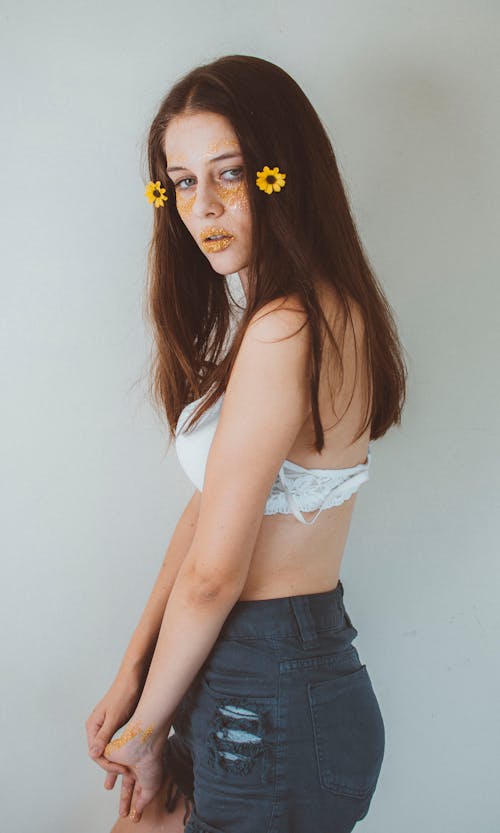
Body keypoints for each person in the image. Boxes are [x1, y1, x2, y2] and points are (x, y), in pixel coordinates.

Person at [85, 54, 407, 833]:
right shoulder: (309, 315)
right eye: (184, 181)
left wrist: (142, 731)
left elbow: (213, 575)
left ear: (282, 171)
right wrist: (135, 672)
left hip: (267, 693)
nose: (205, 207)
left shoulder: (286, 326)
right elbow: (205, 516)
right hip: (255, 679)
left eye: (231, 173)